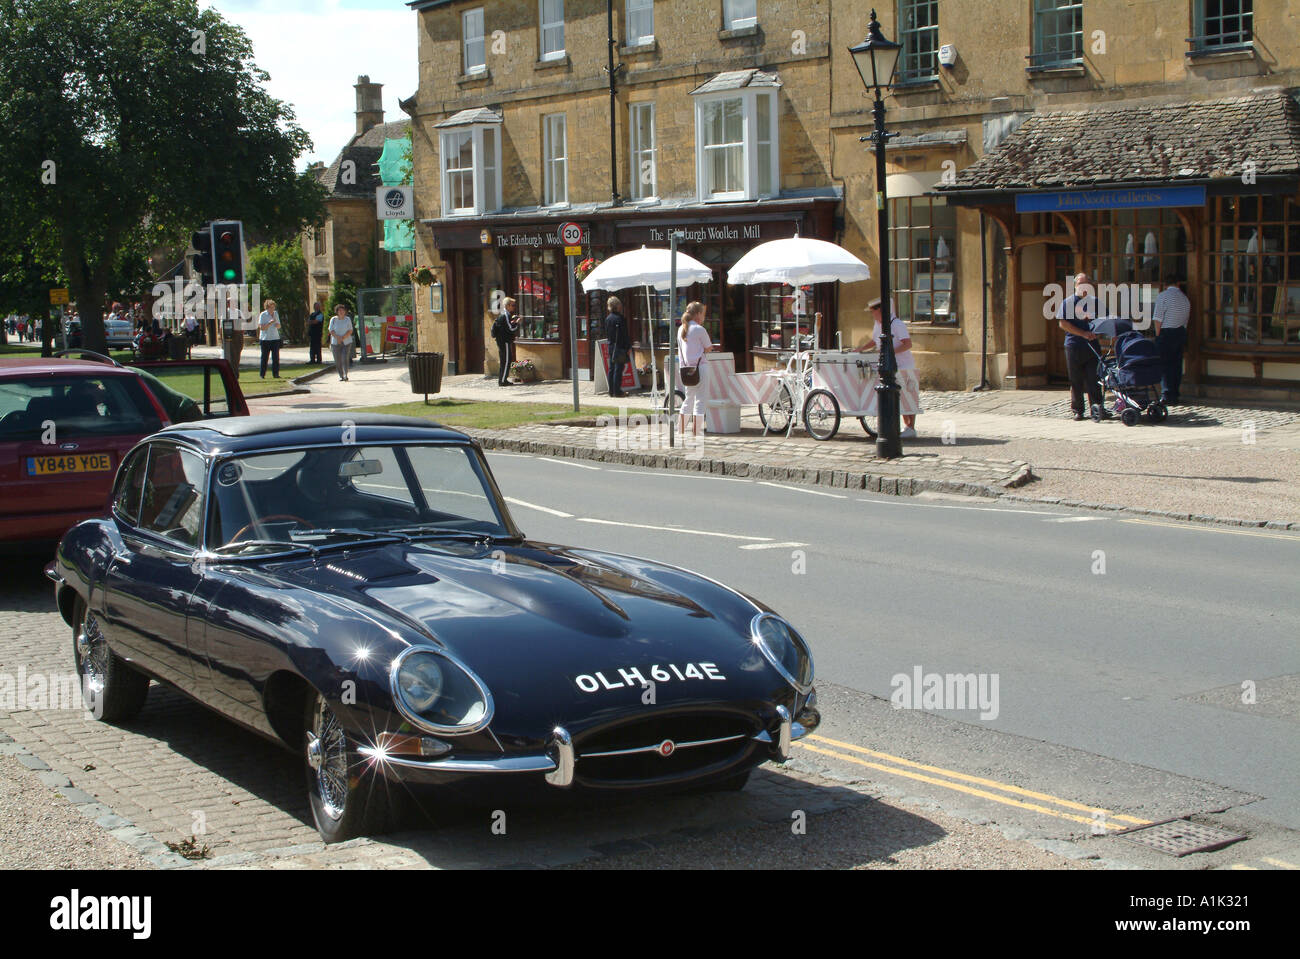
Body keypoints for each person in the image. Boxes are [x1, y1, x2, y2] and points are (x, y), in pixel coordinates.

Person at [859, 297, 920, 438]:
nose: (872, 314)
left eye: (873, 311)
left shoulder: (896, 324)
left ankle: (911, 427)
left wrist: (890, 352)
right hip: (889, 365)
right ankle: (906, 427)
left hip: (904, 364)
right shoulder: (878, 324)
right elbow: (875, 340)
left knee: (907, 394)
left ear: (880, 310)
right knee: (897, 395)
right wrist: (861, 349)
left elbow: (907, 344)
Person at [1057, 272, 1108, 421]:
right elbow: (1063, 324)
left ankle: (1097, 408)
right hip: (1074, 345)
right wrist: (1083, 333)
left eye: (1086, 284)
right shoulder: (1068, 302)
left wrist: (1096, 333)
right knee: (1076, 380)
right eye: (1080, 284)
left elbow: (1104, 320)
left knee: (1094, 379)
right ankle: (1078, 410)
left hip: (1092, 346)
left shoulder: (1096, 302)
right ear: (1075, 286)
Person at [1152, 275, 1190, 405]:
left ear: (1165, 285)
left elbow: (1158, 318)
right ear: (1178, 284)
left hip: (1166, 332)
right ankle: (1174, 393)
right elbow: (1185, 320)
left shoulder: (1163, 296)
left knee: (1165, 365)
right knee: (1176, 365)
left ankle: (1167, 394)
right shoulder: (1185, 298)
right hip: (1180, 332)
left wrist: (1158, 335)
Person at [677, 301, 712, 435]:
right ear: (697, 314)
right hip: (700, 368)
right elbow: (708, 348)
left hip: (686, 369)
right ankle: (696, 431)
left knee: (688, 399)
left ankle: (680, 429)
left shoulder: (681, 329)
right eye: (703, 314)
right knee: (700, 400)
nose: (704, 317)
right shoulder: (699, 329)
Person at [604, 296, 630, 397]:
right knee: (618, 369)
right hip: (620, 346)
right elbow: (624, 334)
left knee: (611, 369)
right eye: (619, 304)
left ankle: (611, 391)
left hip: (611, 346)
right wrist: (628, 347)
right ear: (616, 306)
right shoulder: (620, 318)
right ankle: (617, 391)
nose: (621, 306)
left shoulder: (608, 319)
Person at [491, 296, 519, 386]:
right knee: (506, 361)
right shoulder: (505, 315)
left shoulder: (505, 315)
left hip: (502, 341)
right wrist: (517, 323)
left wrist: (513, 321)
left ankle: (503, 380)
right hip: (504, 341)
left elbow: (506, 326)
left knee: (505, 360)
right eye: (512, 305)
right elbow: (510, 329)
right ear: (507, 306)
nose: (514, 307)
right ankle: (503, 381)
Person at [257, 299, 282, 379]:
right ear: (267, 308)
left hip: (275, 338)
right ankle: (262, 374)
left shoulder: (275, 314)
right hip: (265, 339)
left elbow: (279, 326)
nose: (272, 309)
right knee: (264, 358)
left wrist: (276, 324)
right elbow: (262, 328)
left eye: (273, 307)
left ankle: (276, 374)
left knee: (276, 358)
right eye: (271, 307)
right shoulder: (263, 315)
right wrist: (269, 323)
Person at [329, 304, 354, 381]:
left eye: (342, 310)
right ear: (337, 312)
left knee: (344, 358)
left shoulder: (347, 319)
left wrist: (342, 338)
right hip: (335, 343)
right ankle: (341, 376)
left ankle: (346, 375)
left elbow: (350, 330)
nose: (341, 312)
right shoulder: (333, 319)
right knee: (337, 360)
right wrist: (337, 338)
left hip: (346, 342)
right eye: (339, 310)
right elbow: (331, 330)